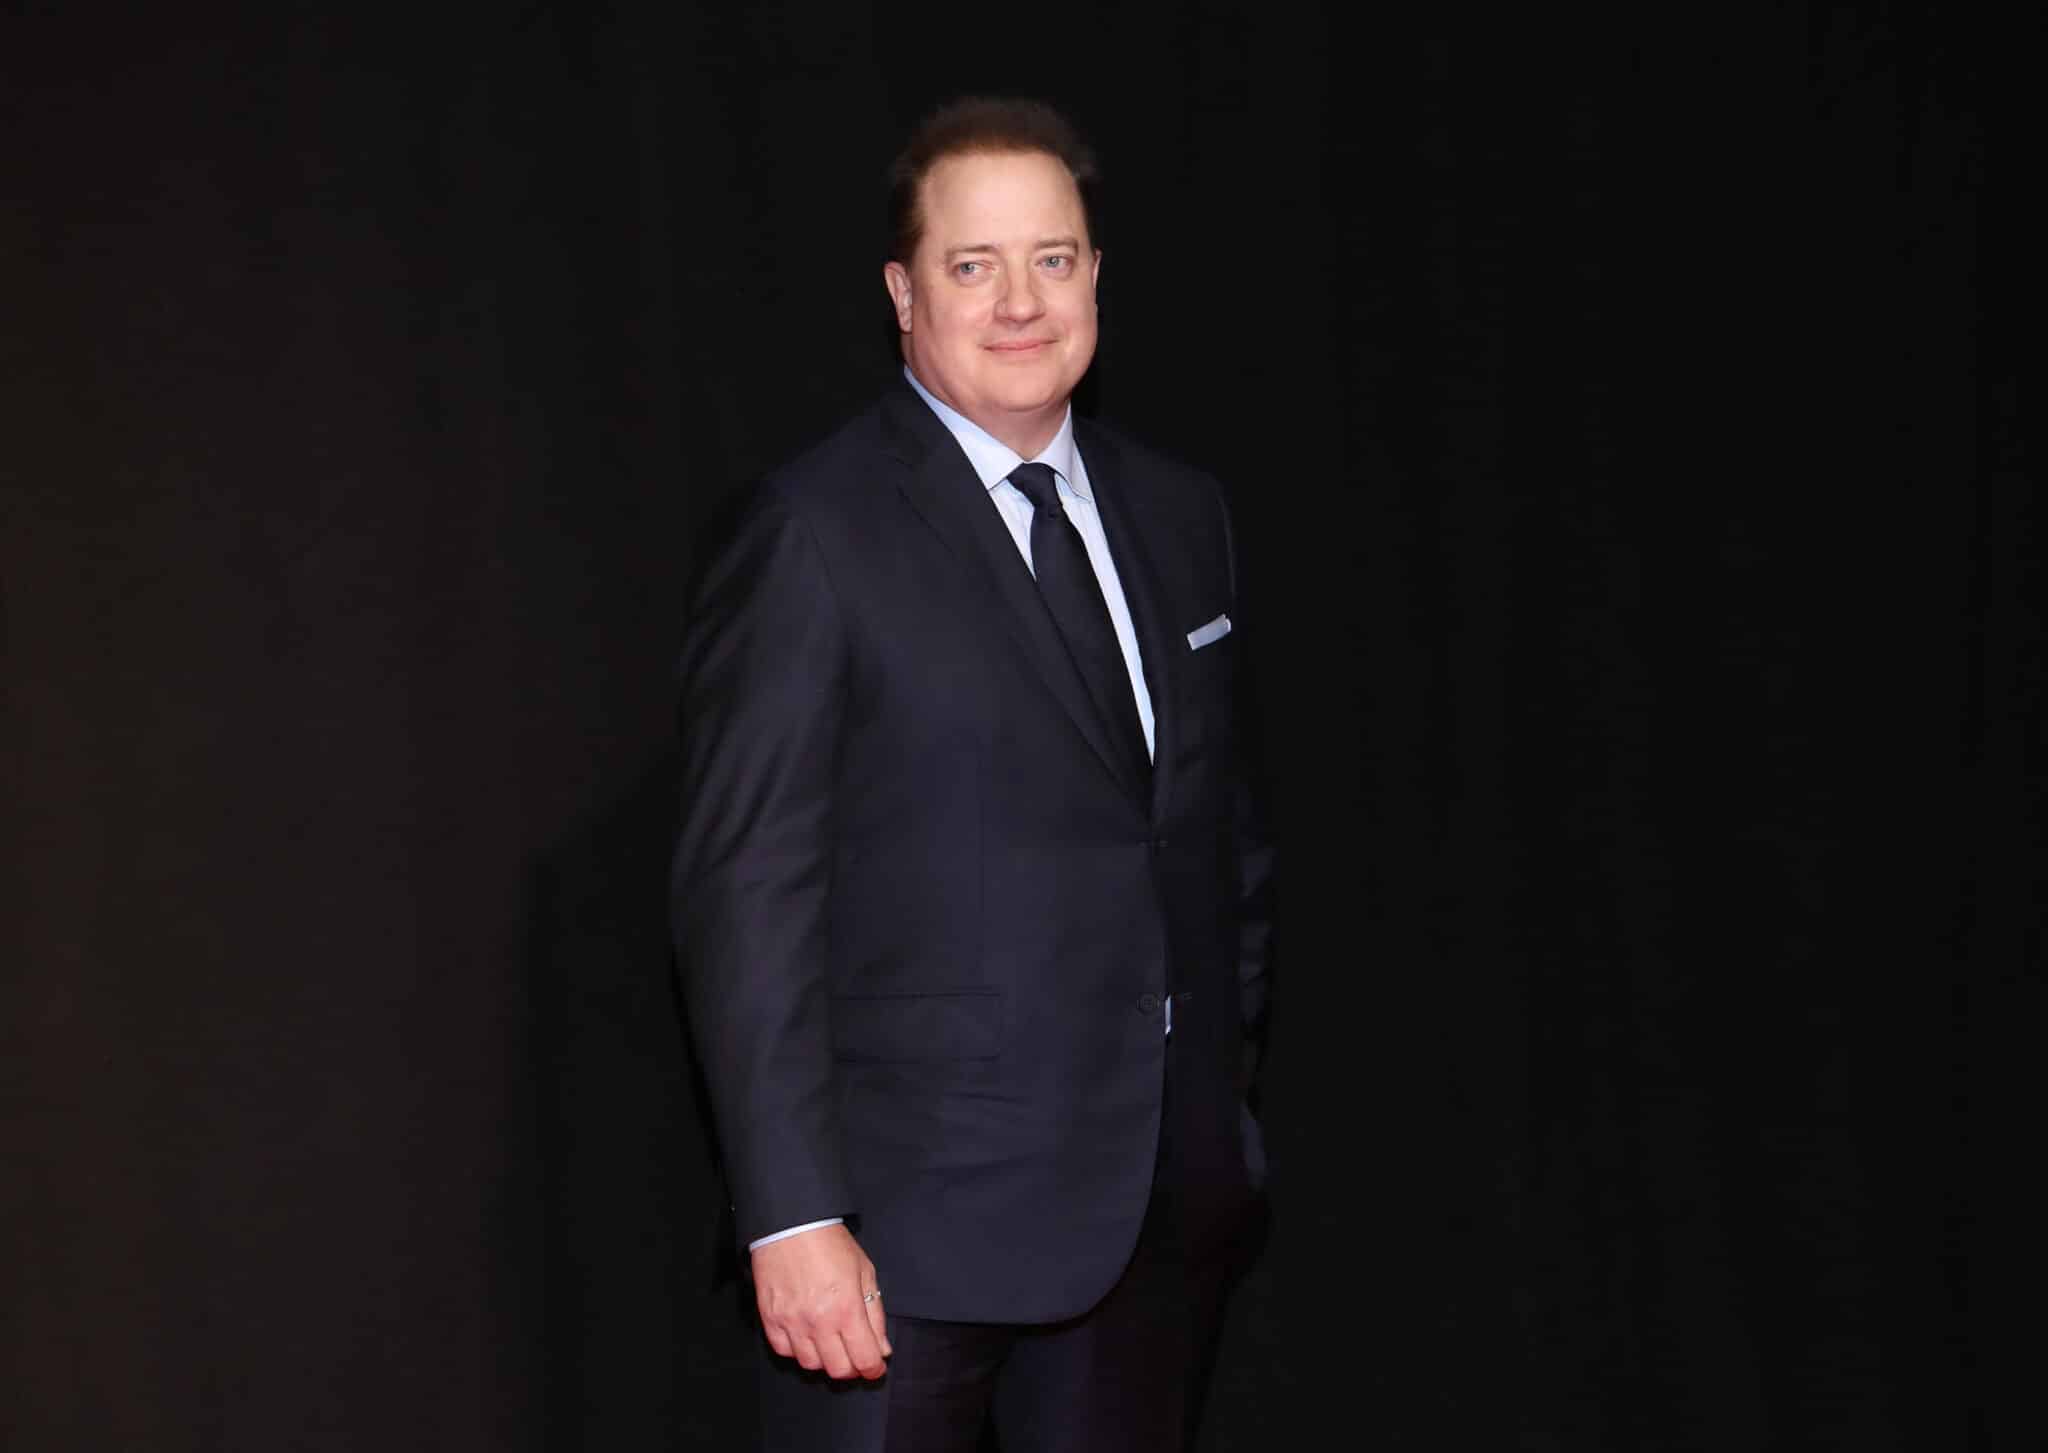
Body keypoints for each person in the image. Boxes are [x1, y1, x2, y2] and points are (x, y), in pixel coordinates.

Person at [671, 96, 1272, 1453]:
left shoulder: (1182, 513)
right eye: (971, 264)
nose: (1019, 303)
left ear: (1097, 276)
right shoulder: (811, 535)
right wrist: (793, 1213)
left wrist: (1221, 1112)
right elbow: (744, 892)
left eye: (1052, 259)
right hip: (898, 1250)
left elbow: (1215, 838)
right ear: (901, 291)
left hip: (1155, 1221)